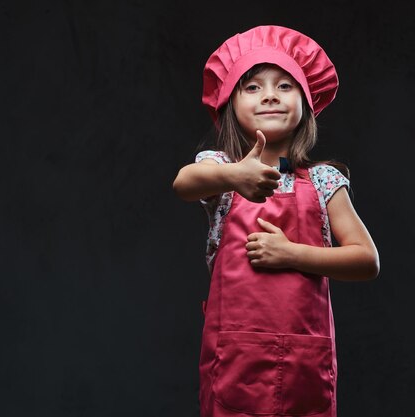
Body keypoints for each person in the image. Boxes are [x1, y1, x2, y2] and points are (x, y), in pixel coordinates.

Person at [172, 25, 379, 417]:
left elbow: (367, 260)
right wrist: (234, 176)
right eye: (252, 87)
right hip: (234, 361)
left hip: (306, 362)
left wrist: (292, 253)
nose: (269, 95)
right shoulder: (220, 170)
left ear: (306, 102)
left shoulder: (323, 181)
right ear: (229, 103)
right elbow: (183, 184)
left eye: (285, 86)